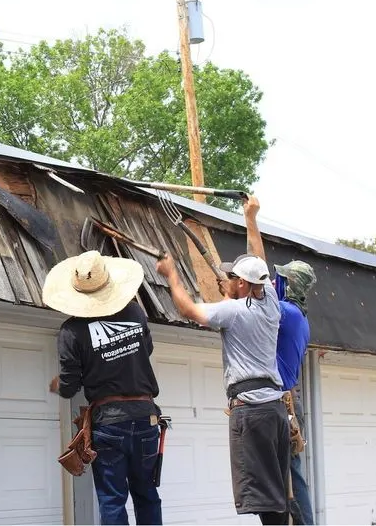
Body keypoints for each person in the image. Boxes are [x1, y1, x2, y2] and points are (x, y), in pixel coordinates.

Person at [156, 195, 291, 526]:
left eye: (232, 277)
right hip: (274, 411)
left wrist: (171, 275)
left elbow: (189, 310)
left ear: (242, 283)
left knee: (263, 498)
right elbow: (258, 259)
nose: (227, 280)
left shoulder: (233, 311)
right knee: (276, 495)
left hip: (252, 413)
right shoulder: (271, 301)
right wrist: (251, 218)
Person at [45, 250, 163, 525]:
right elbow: (146, 350)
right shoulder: (135, 312)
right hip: (145, 417)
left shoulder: (72, 331)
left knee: (112, 500)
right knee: (147, 495)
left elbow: (69, 387)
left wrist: (57, 384)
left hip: (109, 424)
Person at [273, 260, 317, 525]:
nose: (274, 282)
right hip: (288, 399)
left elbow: (255, 304)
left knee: (292, 476)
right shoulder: (297, 314)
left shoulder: (286, 313)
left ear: (289, 285)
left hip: (285, 402)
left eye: (280, 278)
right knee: (286, 474)